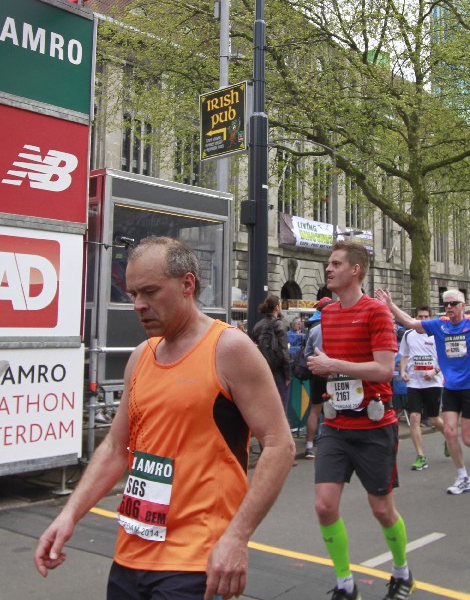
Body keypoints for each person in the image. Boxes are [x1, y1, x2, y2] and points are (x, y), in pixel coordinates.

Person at [33, 237, 292, 599]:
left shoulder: (229, 349)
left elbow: (280, 445)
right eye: (133, 293)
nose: (138, 305)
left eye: (150, 292)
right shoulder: (141, 356)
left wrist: (236, 537)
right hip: (131, 555)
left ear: (187, 285)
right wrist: (69, 514)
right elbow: (115, 447)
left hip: (196, 561)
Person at [307, 241, 411, 600]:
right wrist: (323, 367)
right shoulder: (328, 314)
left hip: (374, 425)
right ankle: (345, 584)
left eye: (336, 263)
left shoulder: (377, 312)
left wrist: (332, 365)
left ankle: (402, 572)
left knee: (382, 509)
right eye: (328, 263)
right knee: (324, 505)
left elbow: (384, 369)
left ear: (356, 270)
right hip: (336, 424)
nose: (328, 268)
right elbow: (336, 365)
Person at [380, 288, 470, 496]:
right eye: (445, 304)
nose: (448, 307)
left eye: (453, 303)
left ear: (463, 305)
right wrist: (390, 305)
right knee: (449, 432)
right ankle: (462, 477)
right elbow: (411, 323)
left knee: (468, 438)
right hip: (450, 386)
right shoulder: (440, 325)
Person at [398, 306, 443, 471]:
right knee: (414, 417)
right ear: (414, 317)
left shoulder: (437, 334)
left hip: (433, 382)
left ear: (430, 318)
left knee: (434, 418)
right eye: (420, 317)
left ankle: (448, 437)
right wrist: (403, 371)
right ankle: (420, 456)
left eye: (426, 317)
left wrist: (434, 371)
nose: (423, 320)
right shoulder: (408, 334)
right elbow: (404, 355)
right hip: (414, 383)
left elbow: (445, 358)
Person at [301, 297, 333, 460]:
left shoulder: (314, 330)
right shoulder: (338, 328)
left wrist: (316, 360)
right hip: (335, 373)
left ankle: (309, 447)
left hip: (318, 374)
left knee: (315, 410)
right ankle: (332, 444)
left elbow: (307, 354)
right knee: (336, 410)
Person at [252, 294, 292, 408]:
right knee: (281, 406)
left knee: (265, 406)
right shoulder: (279, 325)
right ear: (277, 308)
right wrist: (288, 374)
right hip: (278, 371)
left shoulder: (258, 326)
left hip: (263, 370)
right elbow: (284, 351)